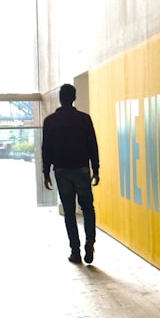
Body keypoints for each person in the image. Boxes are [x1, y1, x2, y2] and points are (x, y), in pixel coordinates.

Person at [42, 83, 100, 264]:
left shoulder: (50, 121)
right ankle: (90, 241)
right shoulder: (84, 119)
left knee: (69, 212)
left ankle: (75, 251)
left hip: (61, 170)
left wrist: (46, 172)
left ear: (60, 99)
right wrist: (96, 169)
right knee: (88, 208)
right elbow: (92, 145)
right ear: (74, 98)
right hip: (82, 168)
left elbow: (46, 149)